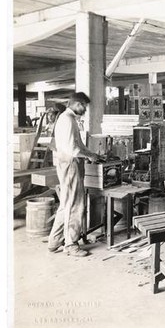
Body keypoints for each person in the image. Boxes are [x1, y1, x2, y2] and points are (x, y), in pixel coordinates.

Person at [48, 92, 100, 257]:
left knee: (65, 204)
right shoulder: (67, 120)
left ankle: (54, 242)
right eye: (83, 105)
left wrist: (93, 154)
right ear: (77, 104)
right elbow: (73, 149)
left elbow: (80, 145)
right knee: (75, 205)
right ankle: (70, 244)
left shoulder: (69, 119)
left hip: (70, 163)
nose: (85, 109)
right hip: (70, 164)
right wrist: (90, 156)